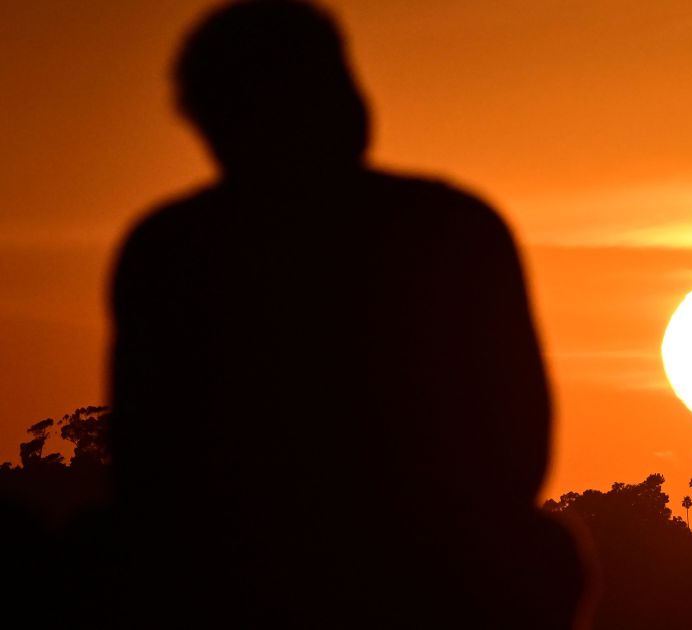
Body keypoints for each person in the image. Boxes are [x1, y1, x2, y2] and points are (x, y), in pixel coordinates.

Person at [109, 1, 583, 626]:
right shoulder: (454, 227)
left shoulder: (167, 246)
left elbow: (143, 467)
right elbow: (522, 445)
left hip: (256, 571)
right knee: (543, 553)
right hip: (405, 573)